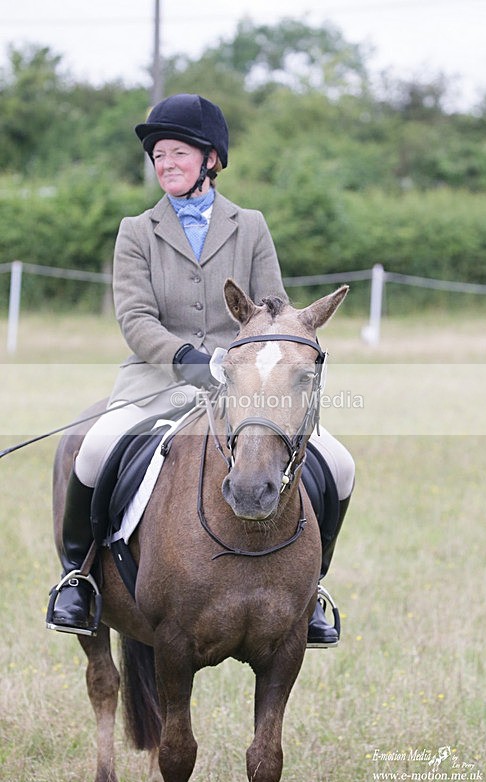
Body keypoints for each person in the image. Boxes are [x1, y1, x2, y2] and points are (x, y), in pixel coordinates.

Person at [48, 93, 355, 646]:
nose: (164, 164)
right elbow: (135, 317)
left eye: (177, 154)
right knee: (95, 449)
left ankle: (312, 591)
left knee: (340, 463)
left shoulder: (251, 225)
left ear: (210, 159)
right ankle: (79, 579)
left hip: (245, 384)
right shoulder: (136, 231)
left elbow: (272, 308)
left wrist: (247, 358)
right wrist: (187, 360)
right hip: (157, 380)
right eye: (157, 156)